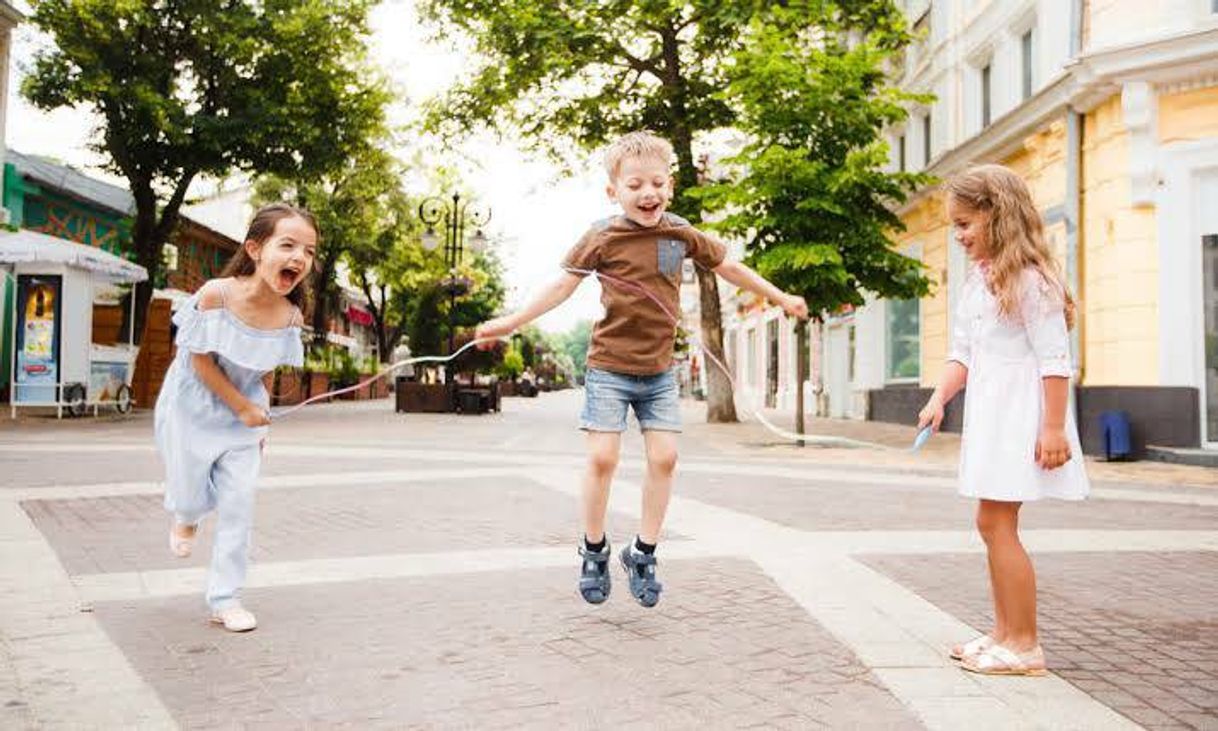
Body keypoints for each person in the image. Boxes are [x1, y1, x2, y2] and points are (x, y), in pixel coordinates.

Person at [476, 131, 808, 608]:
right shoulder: (602, 237)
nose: (647, 193)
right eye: (635, 185)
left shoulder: (679, 234)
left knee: (665, 458)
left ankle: (643, 552)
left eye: (656, 183)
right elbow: (560, 288)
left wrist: (778, 296)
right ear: (614, 192)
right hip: (610, 365)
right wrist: (508, 323)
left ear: (670, 187)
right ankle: (594, 549)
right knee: (603, 458)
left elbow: (730, 267)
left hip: (657, 371)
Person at [918, 164, 1089, 675]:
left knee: (998, 524)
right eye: (956, 226)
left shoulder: (1032, 283)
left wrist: (1054, 428)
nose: (960, 236)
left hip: (1022, 418)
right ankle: (1003, 632)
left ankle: (1026, 645)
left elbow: (1056, 360)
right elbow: (963, 354)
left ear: (998, 215)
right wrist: (939, 397)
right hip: (991, 416)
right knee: (989, 523)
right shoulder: (978, 282)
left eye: (966, 223)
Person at [155, 203, 316, 632]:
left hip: (242, 415)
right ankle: (186, 515)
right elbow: (199, 364)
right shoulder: (215, 294)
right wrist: (241, 406)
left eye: (309, 251)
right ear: (255, 249)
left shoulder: (290, 316)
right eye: (288, 245)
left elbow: (262, 368)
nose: (300, 258)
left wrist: (255, 412)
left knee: (239, 505)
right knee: (188, 493)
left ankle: (225, 598)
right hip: (193, 404)